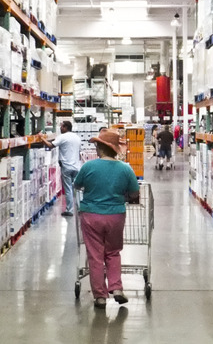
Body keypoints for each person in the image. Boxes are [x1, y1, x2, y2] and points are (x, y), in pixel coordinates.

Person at [74, 129, 140, 309]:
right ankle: (116, 288)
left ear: (100, 147)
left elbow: (77, 185)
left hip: (91, 215)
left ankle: (100, 297)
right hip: (115, 216)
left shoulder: (88, 167)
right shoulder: (125, 168)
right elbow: (134, 193)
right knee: (112, 252)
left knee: (95, 256)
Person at [41, 121, 82, 216]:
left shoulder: (62, 137)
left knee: (68, 189)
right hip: (76, 166)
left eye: (61, 126)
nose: (60, 128)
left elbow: (50, 145)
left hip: (66, 167)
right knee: (77, 189)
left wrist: (42, 138)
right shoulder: (77, 137)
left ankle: (70, 210)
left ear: (66, 127)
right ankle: (80, 208)